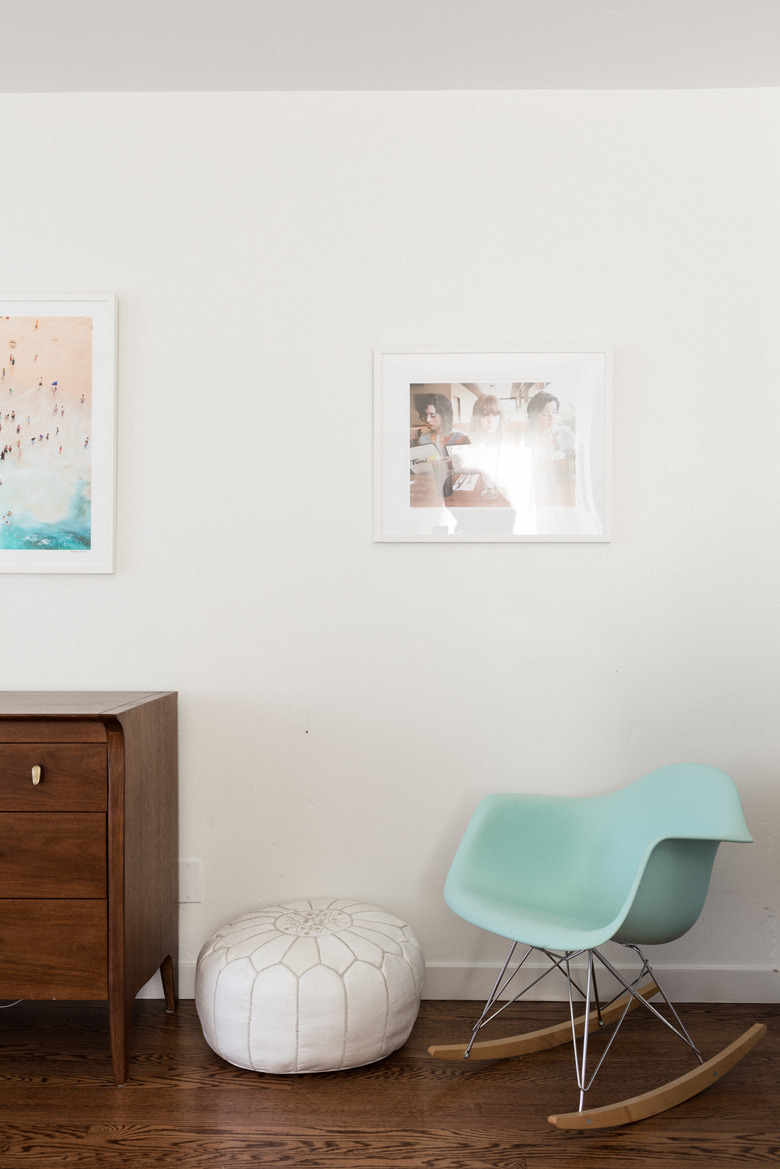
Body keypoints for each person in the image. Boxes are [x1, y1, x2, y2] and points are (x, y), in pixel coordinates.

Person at [526, 391, 575, 506]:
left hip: (562, 498)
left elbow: (579, 463)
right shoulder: (525, 442)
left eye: (554, 412)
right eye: (545, 414)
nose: (551, 417)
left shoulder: (567, 437)